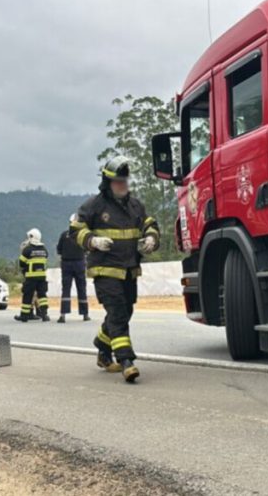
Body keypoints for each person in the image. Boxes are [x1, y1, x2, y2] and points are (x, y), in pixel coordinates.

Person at [70, 156, 159, 383]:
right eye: (118, 181)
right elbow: (75, 230)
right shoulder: (94, 206)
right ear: (107, 183)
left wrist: (151, 238)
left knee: (124, 312)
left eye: (125, 181)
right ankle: (126, 361)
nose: (123, 185)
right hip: (105, 270)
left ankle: (102, 344)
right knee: (118, 313)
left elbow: (150, 224)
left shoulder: (135, 205)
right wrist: (93, 241)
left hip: (129, 270)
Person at [56, 214, 90, 323]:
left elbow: (59, 250)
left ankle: (63, 315)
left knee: (66, 289)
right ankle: (85, 314)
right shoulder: (82, 236)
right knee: (82, 288)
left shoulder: (64, 235)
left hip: (66, 264)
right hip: (79, 263)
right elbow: (87, 249)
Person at [16, 228, 50, 322]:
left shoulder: (27, 250)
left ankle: (24, 316)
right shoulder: (44, 250)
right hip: (42, 277)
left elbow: (21, 263)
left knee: (27, 296)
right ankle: (44, 315)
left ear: (31, 237)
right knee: (42, 296)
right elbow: (46, 259)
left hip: (31, 277)